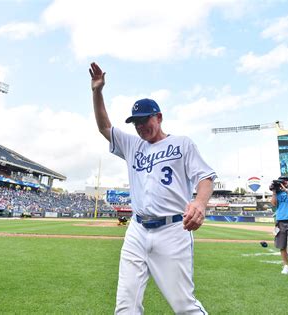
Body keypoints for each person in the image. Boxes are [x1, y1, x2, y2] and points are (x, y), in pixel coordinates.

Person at [90, 62, 216, 314]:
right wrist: (97, 92)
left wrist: (200, 203)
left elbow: (206, 177)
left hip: (172, 230)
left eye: (144, 120)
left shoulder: (182, 143)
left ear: (158, 117)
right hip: (137, 230)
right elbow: (105, 127)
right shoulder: (133, 145)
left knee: (183, 305)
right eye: (135, 123)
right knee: (125, 305)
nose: (139, 126)